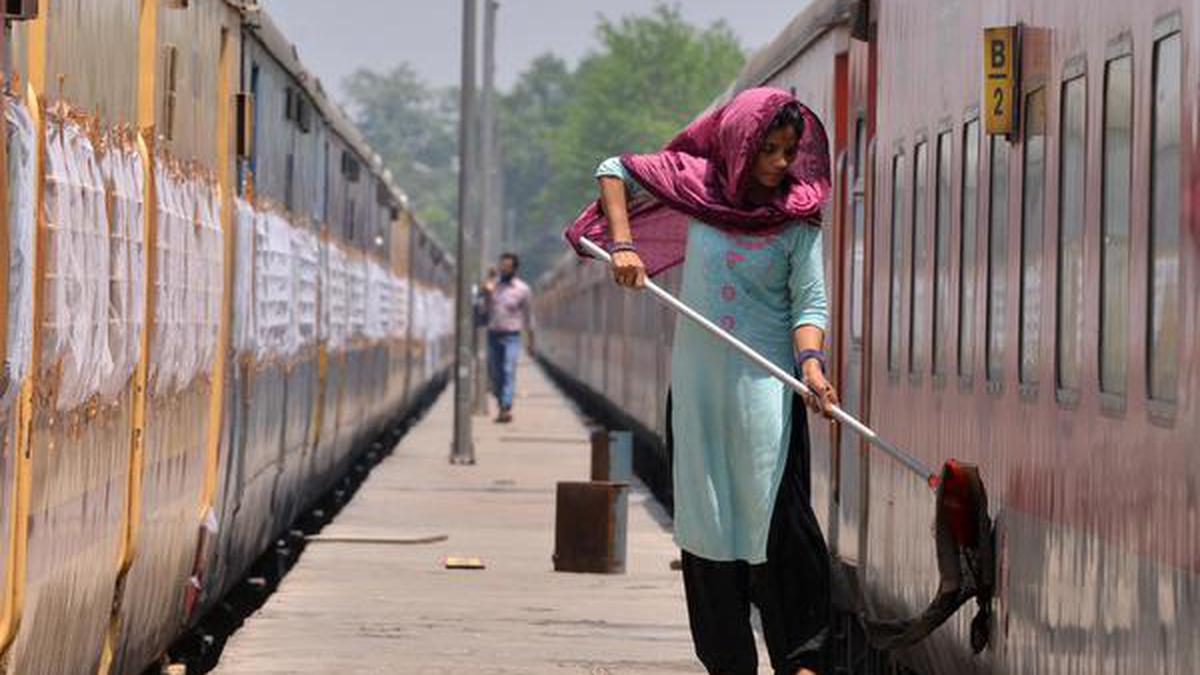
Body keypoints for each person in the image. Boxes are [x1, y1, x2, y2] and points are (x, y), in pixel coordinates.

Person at [566, 87, 838, 675]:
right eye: (769, 149)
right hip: (698, 395)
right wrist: (623, 245)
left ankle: (802, 659)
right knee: (709, 526)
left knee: (779, 523)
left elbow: (809, 304)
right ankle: (728, 660)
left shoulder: (798, 219)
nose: (781, 164)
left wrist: (812, 366)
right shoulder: (699, 192)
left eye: (790, 151)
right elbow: (613, 170)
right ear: (742, 146)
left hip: (768, 393)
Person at [481, 252, 533, 423]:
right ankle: (500, 401)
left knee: (508, 370)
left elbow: (528, 316)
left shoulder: (523, 289)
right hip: (493, 335)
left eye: (508, 266)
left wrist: (531, 341)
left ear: (514, 269)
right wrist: (486, 291)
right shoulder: (492, 286)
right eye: (502, 265)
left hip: (512, 336)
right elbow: (482, 311)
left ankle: (505, 406)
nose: (504, 269)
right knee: (495, 374)